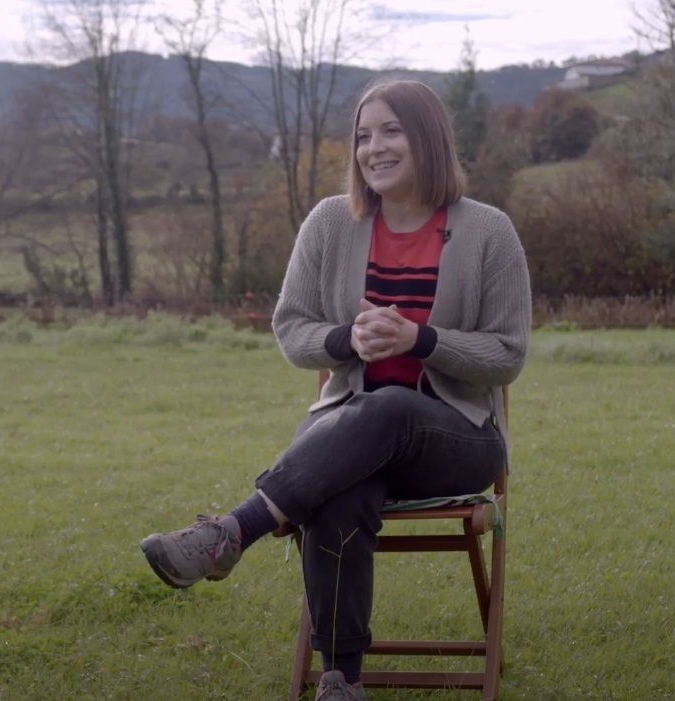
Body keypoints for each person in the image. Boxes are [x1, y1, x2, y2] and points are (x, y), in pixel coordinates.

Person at [140, 80, 531, 700]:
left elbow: (508, 354)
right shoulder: (330, 222)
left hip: (457, 442)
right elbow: (291, 329)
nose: (373, 148)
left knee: (395, 408)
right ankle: (340, 681)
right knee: (337, 494)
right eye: (362, 136)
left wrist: (420, 340)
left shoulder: (488, 231)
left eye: (390, 131)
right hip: (346, 441)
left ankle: (234, 530)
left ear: (428, 138)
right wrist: (349, 340)